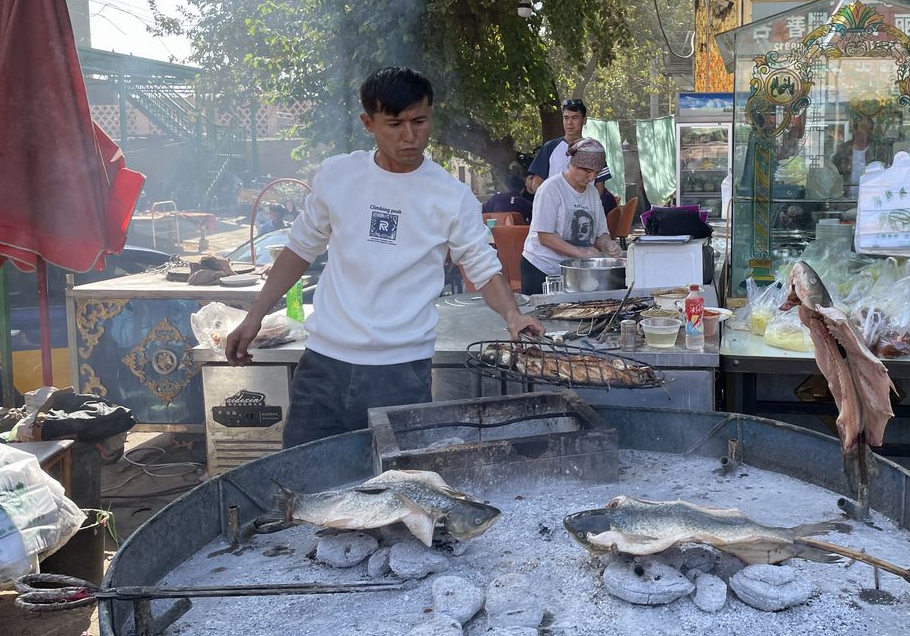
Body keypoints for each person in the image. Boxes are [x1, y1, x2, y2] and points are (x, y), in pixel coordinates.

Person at [224, 67, 542, 448]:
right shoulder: (338, 175)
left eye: (419, 121)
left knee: (395, 490)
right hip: (324, 364)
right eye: (394, 124)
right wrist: (255, 313)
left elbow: (482, 266)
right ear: (368, 122)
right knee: (304, 482)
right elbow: (299, 249)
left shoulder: (449, 195)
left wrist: (513, 315)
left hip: (401, 371)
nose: (410, 136)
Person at [520, 138, 623, 295]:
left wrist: (608, 245)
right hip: (542, 268)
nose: (591, 178)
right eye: (587, 171)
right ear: (573, 164)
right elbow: (545, 237)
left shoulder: (593, 193)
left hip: (576, 271)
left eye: (596, 173)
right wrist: (581, 254)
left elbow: (601, 233)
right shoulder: (550, 189)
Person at [529, 99, 612, 203]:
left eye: (575, 118)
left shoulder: (594, 149)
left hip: (583, 212)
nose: (569, 123)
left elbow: (600, 186)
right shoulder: (549, 147)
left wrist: (589, 206)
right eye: (566, 118)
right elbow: (537, 183)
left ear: (584, 120)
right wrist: (549, 204)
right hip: (556, 211)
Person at [831, 117, 887, 198]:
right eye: (861, 129)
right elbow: (833, 175)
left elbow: (884, 175)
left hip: (872, 198)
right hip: (845, 200)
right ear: (854, 130)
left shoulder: (878, 150)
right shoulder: (842, 150)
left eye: (867, 130)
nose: (863, 133)